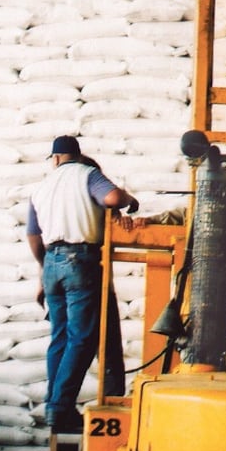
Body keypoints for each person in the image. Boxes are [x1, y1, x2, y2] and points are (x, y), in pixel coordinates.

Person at [27, 135, 139, 433]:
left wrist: (44, 269)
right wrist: (129, 201)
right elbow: (113, 198)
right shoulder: (87, 175)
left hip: (52, 263)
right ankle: (59, 407)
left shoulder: (41, 188)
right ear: (78, 156)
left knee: (60, 338)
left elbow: (33, 237)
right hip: (80, 261)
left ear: (55, 158)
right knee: (83, 337)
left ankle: (57, 405)